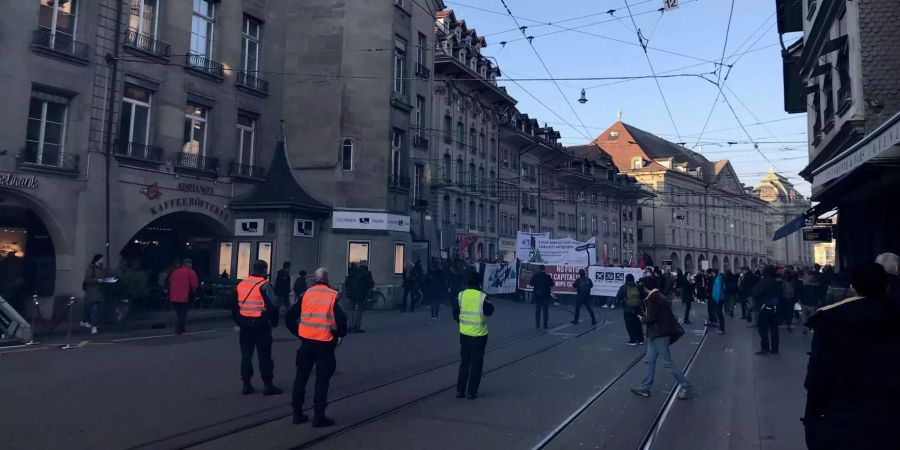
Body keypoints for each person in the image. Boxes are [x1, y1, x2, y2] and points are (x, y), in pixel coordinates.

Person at [803, 262, 900, 450]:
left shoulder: (830, 320)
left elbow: (816, 378)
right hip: (892, 415)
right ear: (887, 288)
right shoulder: (895, 316)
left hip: (844, 417)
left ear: (853, 288)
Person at [285, 267, 348, 427]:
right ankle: (319, 416)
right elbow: (341, 319)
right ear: (327, 279)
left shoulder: (306, 294)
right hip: (325, 343)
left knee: (301, 377)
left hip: (306, 342)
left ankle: (297, 413)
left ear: (314, 280)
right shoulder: (332, 295)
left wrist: (298, 332)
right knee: (322, 379)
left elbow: (290, 316)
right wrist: (339, 335)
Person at [630, 277, 693, 400]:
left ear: (646, 288)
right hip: (656, 333)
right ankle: (645, 387)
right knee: (649, 359)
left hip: (660, 334)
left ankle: (686, 387)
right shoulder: (658, 296)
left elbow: (652, 317)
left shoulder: (653, 298)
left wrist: (642, 319)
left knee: (668, 362)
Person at [234, 260, 282, 396]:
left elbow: (234, 307)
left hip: (245, 325)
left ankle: (246, 384)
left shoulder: (241, 284)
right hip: (261, 324)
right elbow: (273, 307)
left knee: (246, 356)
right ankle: (268, 385)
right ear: (264, 270)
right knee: (265, 356)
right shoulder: (264, 285)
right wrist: (274, 323)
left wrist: (240, 321)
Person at [453, 272, 495, 399]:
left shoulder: (461, 295)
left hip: (464, 334)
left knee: (464, 363)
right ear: (479, 283)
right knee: (476, 364)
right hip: (479, 335)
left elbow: (455, 313)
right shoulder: (482, 296)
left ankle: (460, 390)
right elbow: (490, 312)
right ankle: (472, 392)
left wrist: (462, 322)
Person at [751, 265, 781, 355]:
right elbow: (779, 295)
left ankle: (765, 348)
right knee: (774, 328)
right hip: (774, 306)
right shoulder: (776, 282)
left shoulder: (763, 282)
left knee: (763, 328)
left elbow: (755, 293)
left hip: (764, 307)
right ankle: (775, 349)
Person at [168, 258, 198, 335]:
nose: (191, 265)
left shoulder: (175, 272)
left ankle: (182, 328)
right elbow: (194, 285)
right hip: (184, 296)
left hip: (174, 296)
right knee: (183, 314)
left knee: (179, 313)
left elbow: (169, 281)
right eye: (190, 263)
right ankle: (178, 329)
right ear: (187, 264)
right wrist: (193, 294)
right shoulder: (191, 272)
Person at [80, 254, 106, 335]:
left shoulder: (101, 268)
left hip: (99, 292)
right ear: (98, 259)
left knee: (96, 309)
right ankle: (93, 326)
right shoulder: (91, 268)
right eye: (102, 259)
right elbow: (87, 279)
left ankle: (86, 321)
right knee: (94, 309)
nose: (103, 260)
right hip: (92, 292)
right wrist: (97, 280)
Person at [345, 263, 373, 333]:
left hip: (352, 293)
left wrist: (349, 289)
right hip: (361, 294)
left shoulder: (353, 271)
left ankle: (350, 326)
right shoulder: (367, 273)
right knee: (359, 311)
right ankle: (356, 327)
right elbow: (370, 284)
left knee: (351, 310)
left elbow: (347, 282)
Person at [617, 274, 644, 345]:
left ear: (626, 280)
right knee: (638, 324)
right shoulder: (637, 286)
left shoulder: (623, 288)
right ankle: (640, 339)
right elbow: (642, 296)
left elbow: (618, 297)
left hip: (628, 310)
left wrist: (622, 304)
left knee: (629, 325)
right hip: (638, 309)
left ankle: (633, 340)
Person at [530, 265, 554, 329]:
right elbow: (552, 284)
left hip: (537, 294)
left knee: (538, 309)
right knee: (545, 310)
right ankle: (545, 325)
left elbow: (531, 283)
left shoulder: (535, 275)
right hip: (546, 295)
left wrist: (536, 285)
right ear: (544, 269)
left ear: (539, 269)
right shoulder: (547, 276)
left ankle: (537, 324)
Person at [800, 267, 821, 334]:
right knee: (813, 313)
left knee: (804, 313)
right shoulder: (816, 280)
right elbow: (818, 288)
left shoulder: (803, 279)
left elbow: (801, 287)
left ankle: (804, 328)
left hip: (804, 297)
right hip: (813, 297)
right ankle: (812, 328)